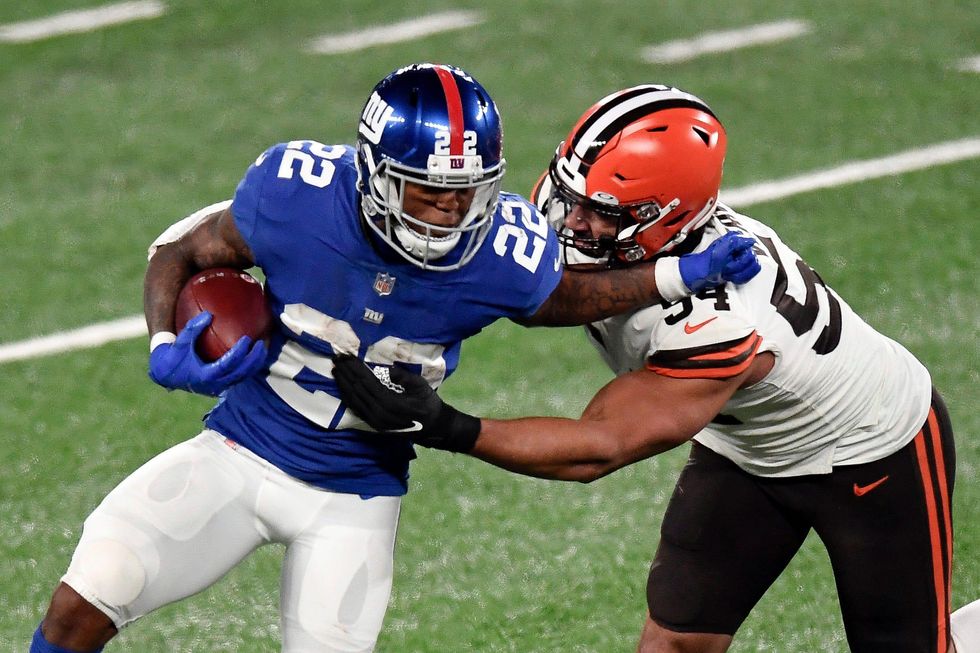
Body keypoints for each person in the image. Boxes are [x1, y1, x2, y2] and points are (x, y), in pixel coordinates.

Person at [29, 67, 759, 653]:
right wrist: (163, 343)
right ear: (376, 173)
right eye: (431, 192)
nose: (452, 212)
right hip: (238, 447)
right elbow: (182, 249)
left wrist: (677, 275)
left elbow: (561, 297)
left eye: (467, 192)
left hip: (355, 492)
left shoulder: (500, 247)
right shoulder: (295, 193)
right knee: (89, 593)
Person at [329, 83, 975, 653]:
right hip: (745, 444)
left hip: (870, 448)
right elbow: (535, 291)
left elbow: (596, 447)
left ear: (663, 218)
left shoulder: (721, 319)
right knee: (675, 640)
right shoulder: (583, 211)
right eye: (569, 194)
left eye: (599, 213)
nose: (570, 221)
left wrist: (446, 425)